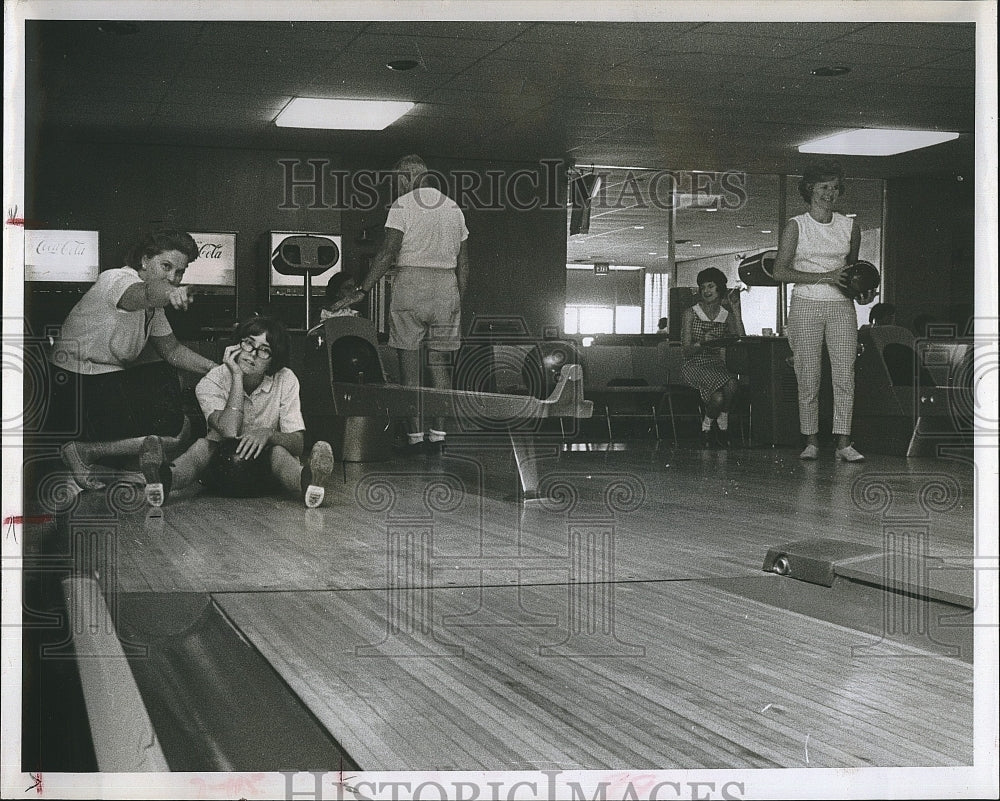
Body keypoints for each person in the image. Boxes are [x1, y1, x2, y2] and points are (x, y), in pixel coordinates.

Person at [48, 229, 220, 489]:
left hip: (100, 385)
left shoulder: (155, 306)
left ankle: (97, 456)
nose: (172, 277)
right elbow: (143, 294)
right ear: (144, 260)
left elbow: (172, 350)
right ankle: (89, 454)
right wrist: (173, 293)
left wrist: (216, 369)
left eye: (180, 272)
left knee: (173, 407)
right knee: (168, 402)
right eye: (166, 266)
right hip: (72, 388)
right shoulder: (116, 279)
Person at [329, 154, 469, 454]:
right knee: (440, 365)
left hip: (412, 286)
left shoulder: (402, 206)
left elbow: (387, 253)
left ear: (406, 176)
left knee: (410, 366)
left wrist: (362, 290)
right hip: (447, 286)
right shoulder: (454, 208)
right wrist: (457, 297)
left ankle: (416, 437)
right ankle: (439, 435)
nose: (396, 188)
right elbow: (464, 261)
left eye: (396, 181)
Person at [138, 315, 335, 508]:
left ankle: (310, 483)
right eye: (248, 343)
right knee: (202, 447)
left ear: (273, 361)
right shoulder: (212, 380)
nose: (252, 354)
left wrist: (268, 434)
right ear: (236, 346)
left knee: (279, 453)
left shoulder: (286, 378)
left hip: (266, 475)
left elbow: (298, 444)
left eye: (264, 350)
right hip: (220, 472)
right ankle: (163, 479)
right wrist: (237, 376)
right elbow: (230, 431)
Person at [772, 160, 876, 462]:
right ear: (809, 190)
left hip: (841, 307)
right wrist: (825, 277)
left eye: (834, 187)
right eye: (823, 187)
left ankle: (844, 442)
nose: (830, 193)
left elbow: (852, 274)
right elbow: (780, 271)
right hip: (806, 304)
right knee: (809, 374)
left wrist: (863, 294)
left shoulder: (849, 226)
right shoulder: (796, 226)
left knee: (845, 374)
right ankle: (811, 441)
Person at [680, 267, 746, 448]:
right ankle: (710, 427)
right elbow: (685, 351)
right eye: (703, 288)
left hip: (717, 364)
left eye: (711, 286)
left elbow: (741, 339)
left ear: (719, 289)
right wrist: (702, 342)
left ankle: (717, 421)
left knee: (733, 384)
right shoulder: (690, 313)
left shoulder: (726, 315)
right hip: (694, 364)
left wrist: (736, 311)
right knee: (717, 398)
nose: (706, 291)